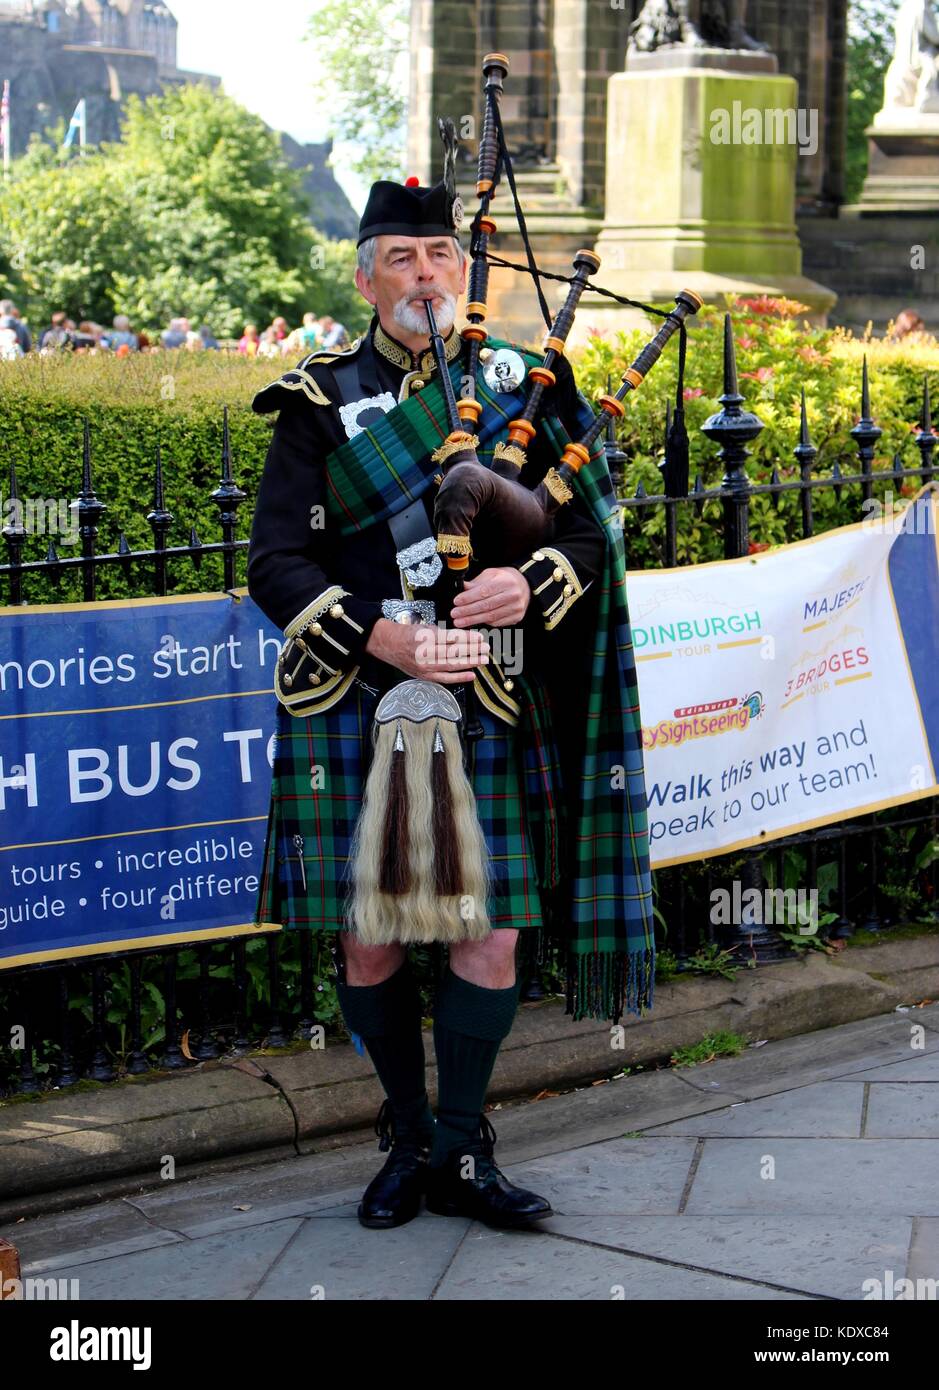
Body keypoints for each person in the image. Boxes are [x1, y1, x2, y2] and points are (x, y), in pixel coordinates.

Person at [247, 175, 654, 1233]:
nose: (423, 275)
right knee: (370, 940)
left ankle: (460, 1147)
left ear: (461, 269)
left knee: (490, 938)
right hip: (361, 697)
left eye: (438, 255)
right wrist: (382, 632)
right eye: (400, 258)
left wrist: (533, 582)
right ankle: (406, 1130)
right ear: (364, 275)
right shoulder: (318, 401)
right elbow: (274, 565)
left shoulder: (528, 384)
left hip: (490, 690)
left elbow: (586, 532)